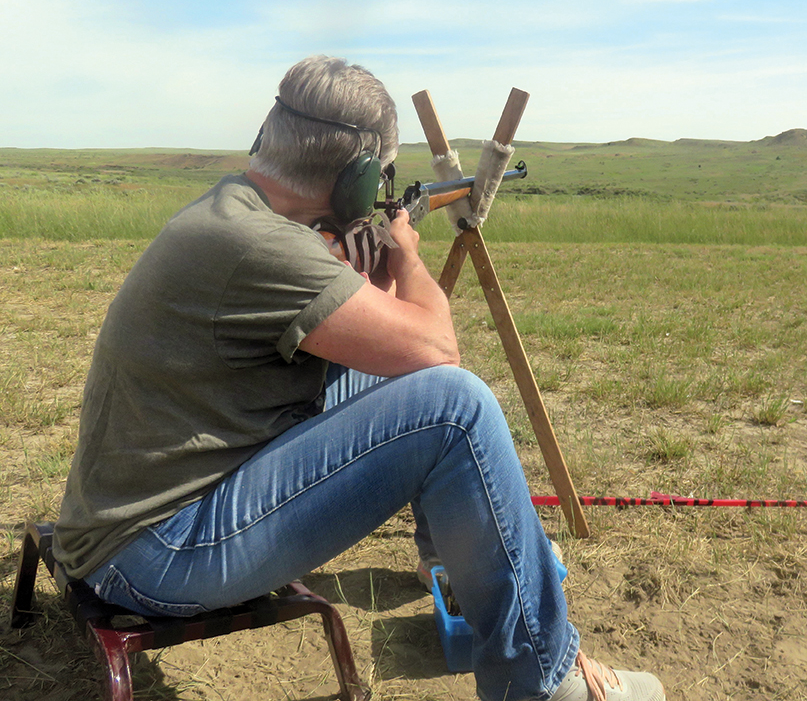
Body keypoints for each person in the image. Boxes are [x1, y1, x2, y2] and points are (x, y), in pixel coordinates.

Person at [53, 55, 665, 701]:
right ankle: (546, 683)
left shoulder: (235, 213)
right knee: (455, 409)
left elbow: (369, 352)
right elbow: (436, 348)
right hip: (159, 556)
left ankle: (457, 562)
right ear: (359, 177)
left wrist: (352, 267)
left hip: (131, 532)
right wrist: (405, 254)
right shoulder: (265, 246)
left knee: (392, 386)